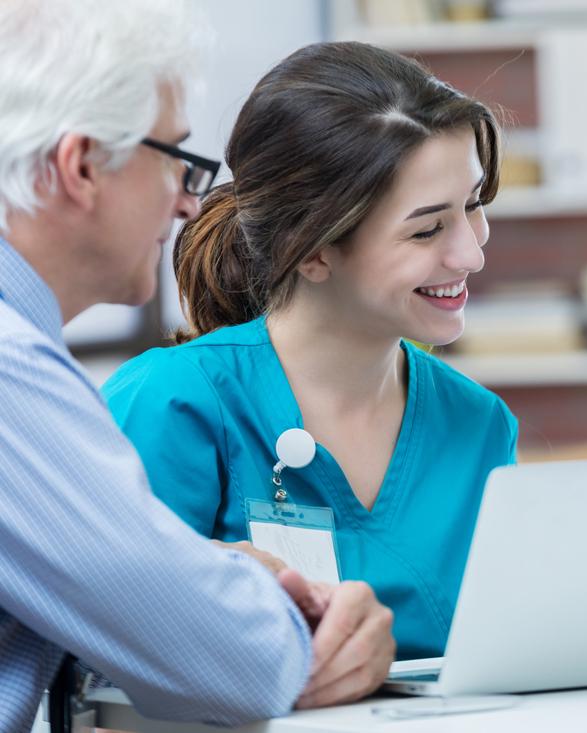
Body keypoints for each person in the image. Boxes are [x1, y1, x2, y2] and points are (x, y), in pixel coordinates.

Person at [0, 1, 394, 730]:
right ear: (81, 165)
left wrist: (230, 581)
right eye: (173, 160)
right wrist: (288, 616)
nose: (188, 203)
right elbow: (232, 664)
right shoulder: (10, 374)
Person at [102, 41, 518, 661]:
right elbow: (107, 670)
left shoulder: (478, 424)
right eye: (428, 229)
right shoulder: (173, 403)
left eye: (474, 207)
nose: (472, 254)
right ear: (314, 248)